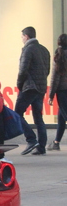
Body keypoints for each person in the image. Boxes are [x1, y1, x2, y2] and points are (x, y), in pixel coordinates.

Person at [16, 26, 51, 156]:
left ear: (26, 36)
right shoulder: (44, 50)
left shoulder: (28, 49)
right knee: (38, 117)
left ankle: (31, 139)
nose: (22, 40)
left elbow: (23, 70)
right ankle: (41, 146)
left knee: (17, 113)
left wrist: (20, 84)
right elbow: (47, 70)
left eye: (22, 37)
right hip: (41, 88)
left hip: (29, 87)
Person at [47, 33, 67, 151]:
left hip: (62, 91)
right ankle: (56, 142)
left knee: (64, 114)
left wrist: (51, 95)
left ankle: (56, 143)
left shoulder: (59, 57)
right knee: (61, 116)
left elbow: (55, 78)